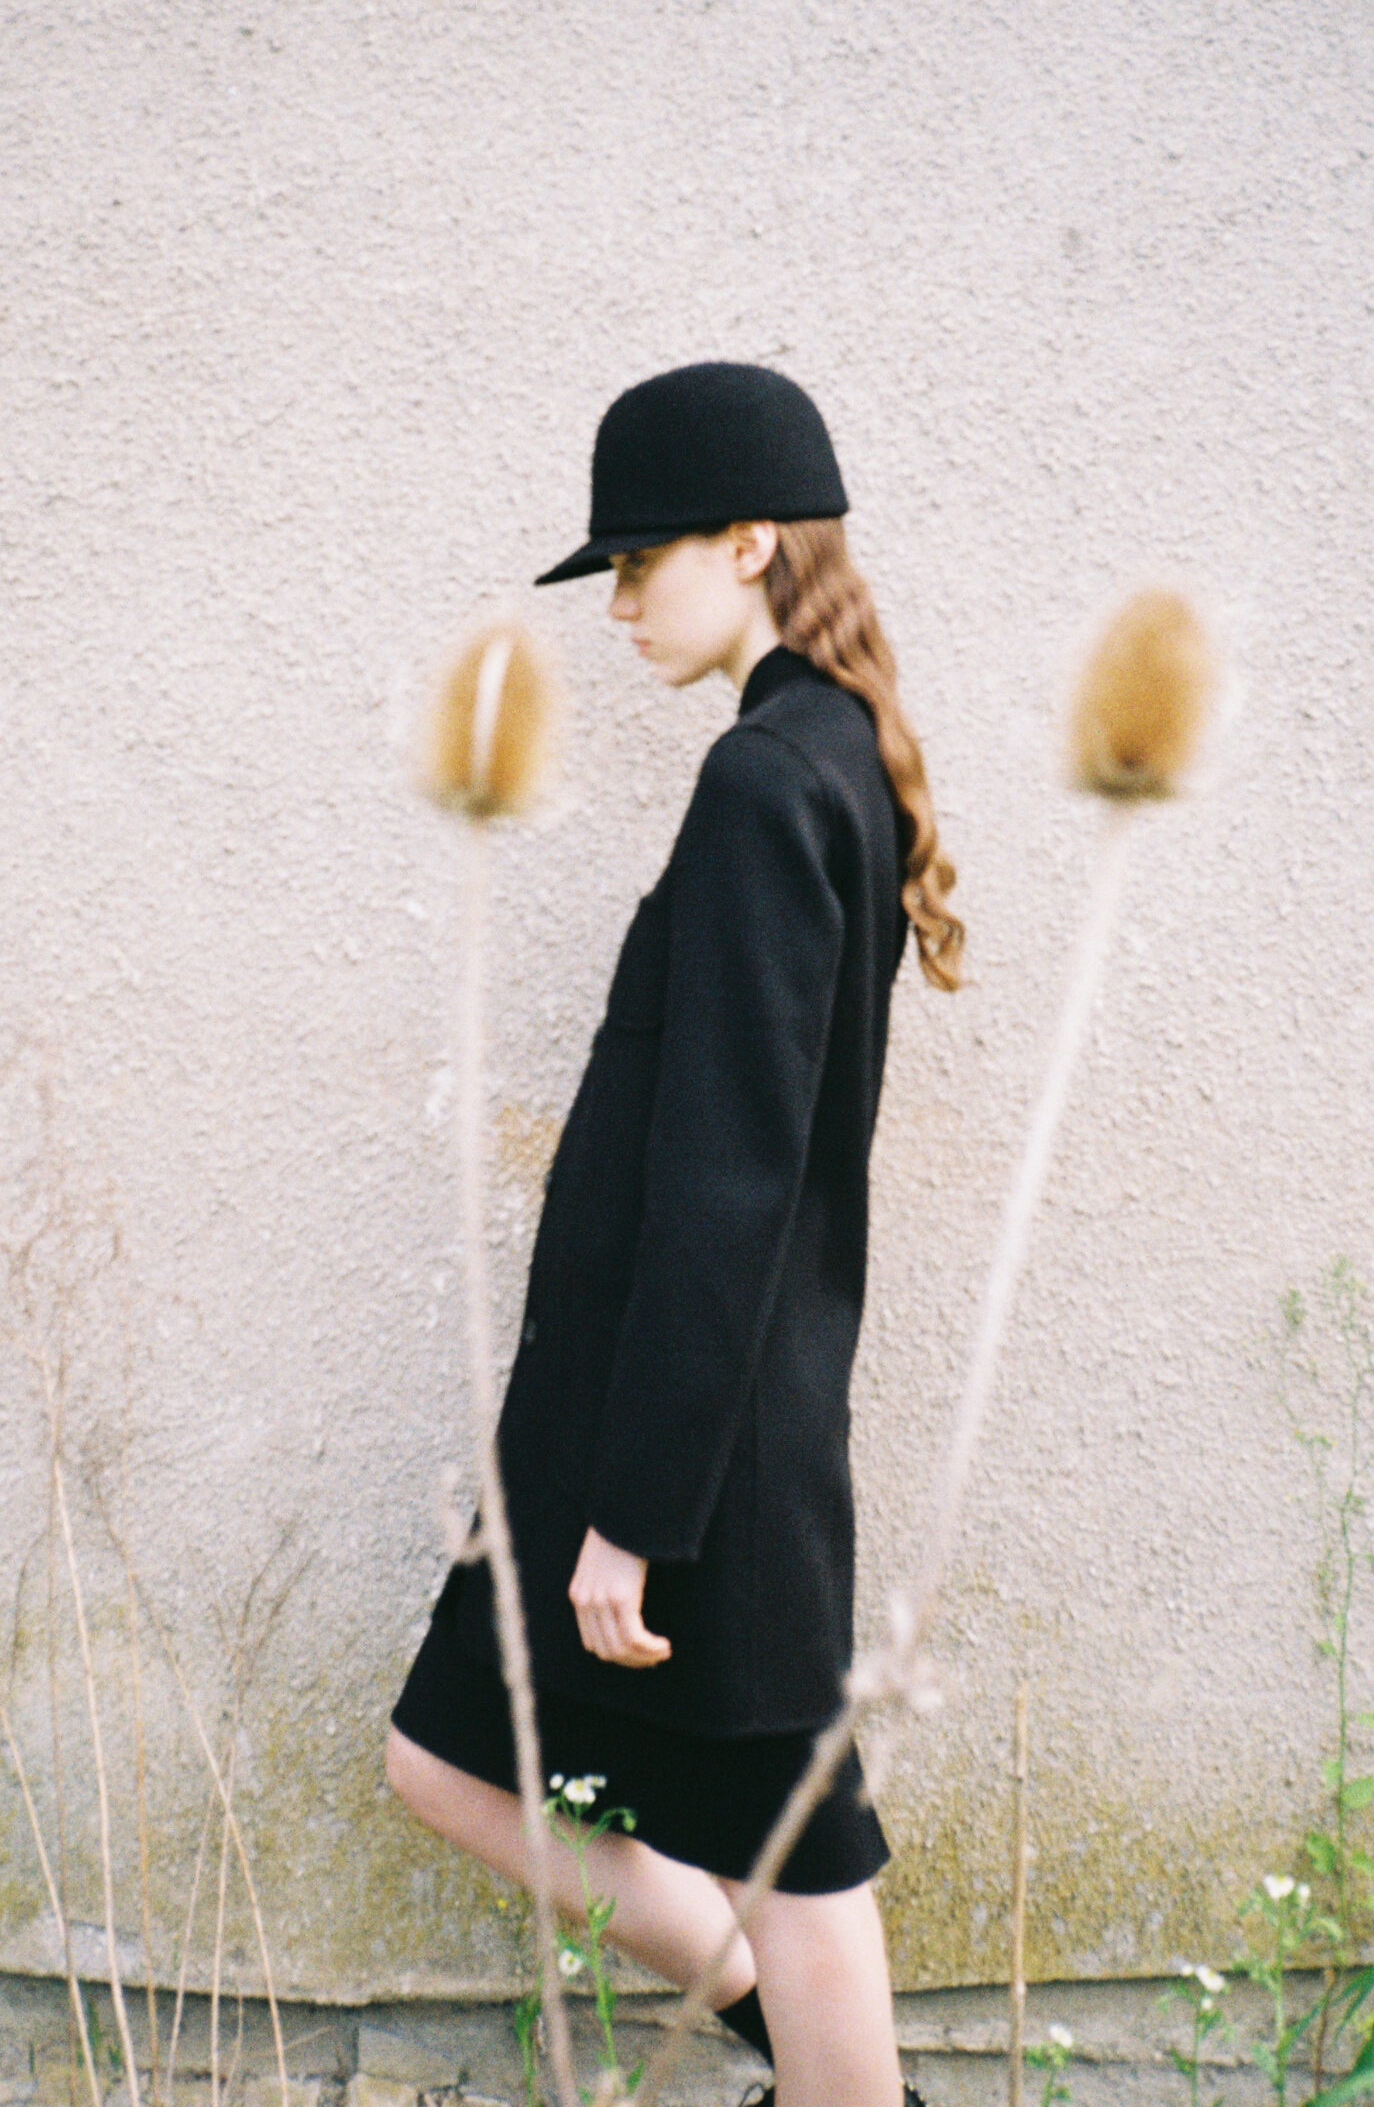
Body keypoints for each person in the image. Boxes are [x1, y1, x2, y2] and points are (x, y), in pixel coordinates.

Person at [387, 362, 962, 2107]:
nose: (621, 603)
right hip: (702, 1431)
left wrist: (633, 1519)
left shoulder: (767, 782)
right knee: (485, 1769)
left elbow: (730, 1181)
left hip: (692, 1457)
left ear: (753, 543)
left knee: (790, 1851)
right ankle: (796, 2046)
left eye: (643, 562)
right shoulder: (825, 758)